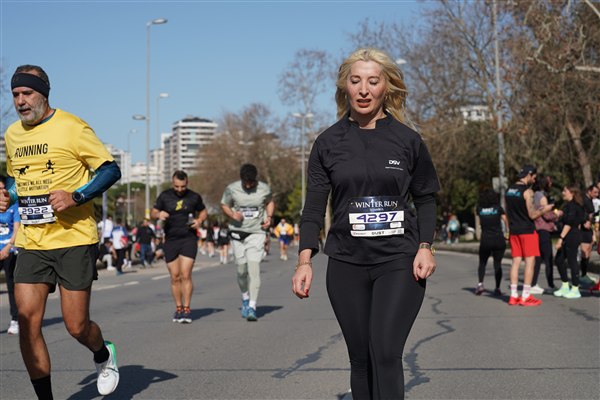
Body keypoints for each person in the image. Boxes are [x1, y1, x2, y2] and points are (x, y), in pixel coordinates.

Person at [292, 48, 439, 399]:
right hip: (346, 263)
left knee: (385, 351)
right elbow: (314, 207)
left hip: (398, 260)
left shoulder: (408, 140)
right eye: (355, 81)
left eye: (373, 81)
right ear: (344, 86)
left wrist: (425, 246)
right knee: (361, 359)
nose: (363, 90)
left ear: (387, 86)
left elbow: (425, 198)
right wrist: (304, 259)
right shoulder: (328, 142)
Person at [1, 65, 122, 398]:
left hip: (74, 239)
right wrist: (7, 195)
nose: (20, 101)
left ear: (43, 93)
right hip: (32, 240)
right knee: (27, 322)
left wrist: (76, 196)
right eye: (15, 95)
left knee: (76, 326)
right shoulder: (12, 134)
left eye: (27, 93)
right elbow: (16, 180)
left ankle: (103, 353)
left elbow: (110, 170)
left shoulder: (72, 127)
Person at [151, 170, 207, 323]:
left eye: (183, 186)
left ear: (187, 183)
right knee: (175, 277)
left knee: (185, 274)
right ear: (172, 183)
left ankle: (187, 309)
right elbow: (153, 212)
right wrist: (159, 215)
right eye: (177, 186)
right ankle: (179, 308)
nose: (180, 189)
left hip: (188, 239)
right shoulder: (164, 196)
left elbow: (203, 211)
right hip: (171, 240)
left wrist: (199, 220)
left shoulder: (194, 197)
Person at [221, 163, 275, 322]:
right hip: (237, 232)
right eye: (246, 183)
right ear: (242, 179)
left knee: (254, 269)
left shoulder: (264, 189)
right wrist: (232, 214)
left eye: (251, 182)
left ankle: (252, 306)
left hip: (256, 232)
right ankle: (245, 297)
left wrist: (269, 217)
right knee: (241, 270)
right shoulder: (232, 188)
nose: (249, 186)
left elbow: (270, 202)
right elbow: (224, 204)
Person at [504, 164, 554, 307]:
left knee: (515, 262)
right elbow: (532, 214)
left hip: (514, 230)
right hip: (527, 230)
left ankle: (513, 295)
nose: (534, 180)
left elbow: (507, 213)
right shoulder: (528, 192)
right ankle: (526, 296)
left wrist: (508, 229)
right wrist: (545, 209)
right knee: (530, 262)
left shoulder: (508, 190)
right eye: (534, 177)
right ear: (529, 175)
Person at [553, 185, 587, 299]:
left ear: (572, 193)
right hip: (568, 235)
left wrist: (560, 239)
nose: (563, 193)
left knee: (572, 262)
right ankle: (565, 286)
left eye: (565, 191)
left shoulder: (574, 206)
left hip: (572, 236)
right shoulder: (567, 205)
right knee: (559, 260)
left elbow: (569, 223)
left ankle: (575, 289)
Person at [475, 189, 508, 296]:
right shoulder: (498, 208)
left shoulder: (479, 209)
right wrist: (507, 233)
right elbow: (505, 219)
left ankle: (480, 284)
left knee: (482, 262)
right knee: (497, 264)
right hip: (498, 239)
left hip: (486, 240)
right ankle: (497, 288)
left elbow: (479, 223)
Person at [0, 175, 21, 335]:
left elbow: (17, 229)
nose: (1, 191)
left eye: (3, 188)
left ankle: (15, 320)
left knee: (11, 286)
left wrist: (7, 248)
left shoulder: (13, 205)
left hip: (10, 251)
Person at [531, 175, 559, 293]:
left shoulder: (534, 195)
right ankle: (551, 285)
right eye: (549, 182)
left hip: (536, 230)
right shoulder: (542, 197)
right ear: (544, 183)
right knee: (548, 259)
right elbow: (546, 215)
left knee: (537, 259)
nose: (551, 184)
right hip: (543, 230)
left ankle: (533, 284)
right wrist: (557, 214)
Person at [579, 184, 599, 286]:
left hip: (589, 228)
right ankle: (582, 275)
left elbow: (591, 214)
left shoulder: (590, 200)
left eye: (598, 192)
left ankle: (584, 274)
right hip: (584, 230)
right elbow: (580, 212)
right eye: (595, 192)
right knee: (585, 251)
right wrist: (584, 221)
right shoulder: (583, 200)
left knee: (589, 251)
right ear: (589, 191)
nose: (597, 194)